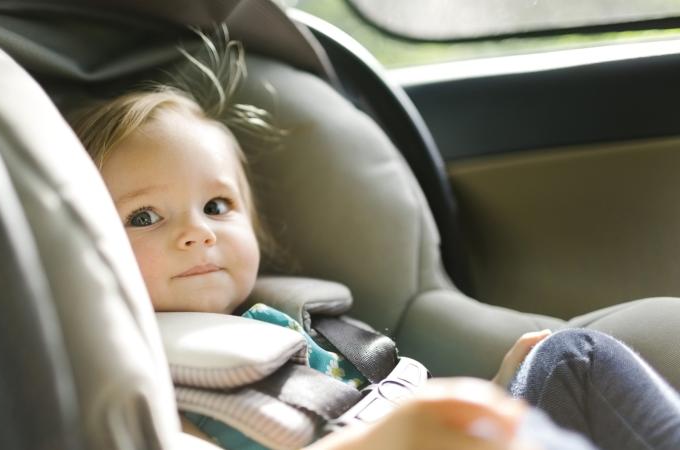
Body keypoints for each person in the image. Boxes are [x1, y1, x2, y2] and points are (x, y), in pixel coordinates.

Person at [70, 31, 680, 450]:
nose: (197, 232)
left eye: (217, 206)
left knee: (572, 358)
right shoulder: (129, 379)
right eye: (145, 217)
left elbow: (389, 408)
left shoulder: (301, 329)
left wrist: (492, 392)